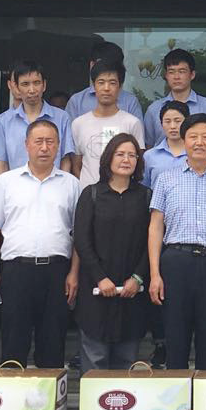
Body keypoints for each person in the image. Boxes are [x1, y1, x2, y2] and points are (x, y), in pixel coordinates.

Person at [0, 118, 82, 368]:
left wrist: (74, 273)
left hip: (57, 271)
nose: (44, 147)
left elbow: (79, 233)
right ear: (26, 144)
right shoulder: (6, 182)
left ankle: (51, 394)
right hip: (16, 270)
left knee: (53, 343)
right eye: (38, 141)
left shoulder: (71, 184)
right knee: (13, 342)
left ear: (58, 145)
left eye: (50, 142)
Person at [148, 114, 206, 371]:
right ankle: (176, 395)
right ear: (184, 140)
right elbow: (156, 227)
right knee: (175, 340)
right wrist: (155, 274)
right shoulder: (166, 179)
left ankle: (205, 395)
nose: (199, 142)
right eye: (193, 137)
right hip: (176, 262)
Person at [72, 134, 153, 371]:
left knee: (126, 363)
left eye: (132, 155)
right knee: (94, 361)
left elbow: (151, 242)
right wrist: (100, 277)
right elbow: (82, 240)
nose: (126, 160)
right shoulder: (91, 194)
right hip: (96, 289)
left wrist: (138, 277)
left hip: (132, 291)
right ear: (108, 158)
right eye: (120, 154)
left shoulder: (146, 196)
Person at [0, 61, 74, 176]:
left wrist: (62, 184)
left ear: (44, 85)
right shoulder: (3, 122)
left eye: (37, 83)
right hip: (16, 186)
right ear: (16, 87)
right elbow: (1, 164)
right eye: (25, 84)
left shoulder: (62, 118)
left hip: (53, 184)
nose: (32, 90)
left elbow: (65, 159)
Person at [70, 59, 145, 187]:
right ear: (94, 86)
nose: (106, 88)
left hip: (120, 194)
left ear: (120, 87)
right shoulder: (78, 124)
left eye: (112, 83)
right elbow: (76, 165)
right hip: (89, 194)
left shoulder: (132, 123)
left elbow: (138, 165)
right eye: (101, 82)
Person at [143, 48, 206, 148]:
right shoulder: (154, 109)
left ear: (192, 75)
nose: (176, 77)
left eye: (181, 71)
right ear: (166, 76)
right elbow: (149, 146)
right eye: (171, 72)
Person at [68, 40, 145, 119]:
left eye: (113, 66)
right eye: (102, 65)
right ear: (92, 65)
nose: (108, 69)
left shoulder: (130, 102)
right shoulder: (77, 101)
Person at [143, 101, 189, 189]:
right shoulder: (149, 156)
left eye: (177, 121)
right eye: (167, 121)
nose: (172, 126)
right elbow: (144, 187)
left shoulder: (195, 154)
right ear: (161, 124)